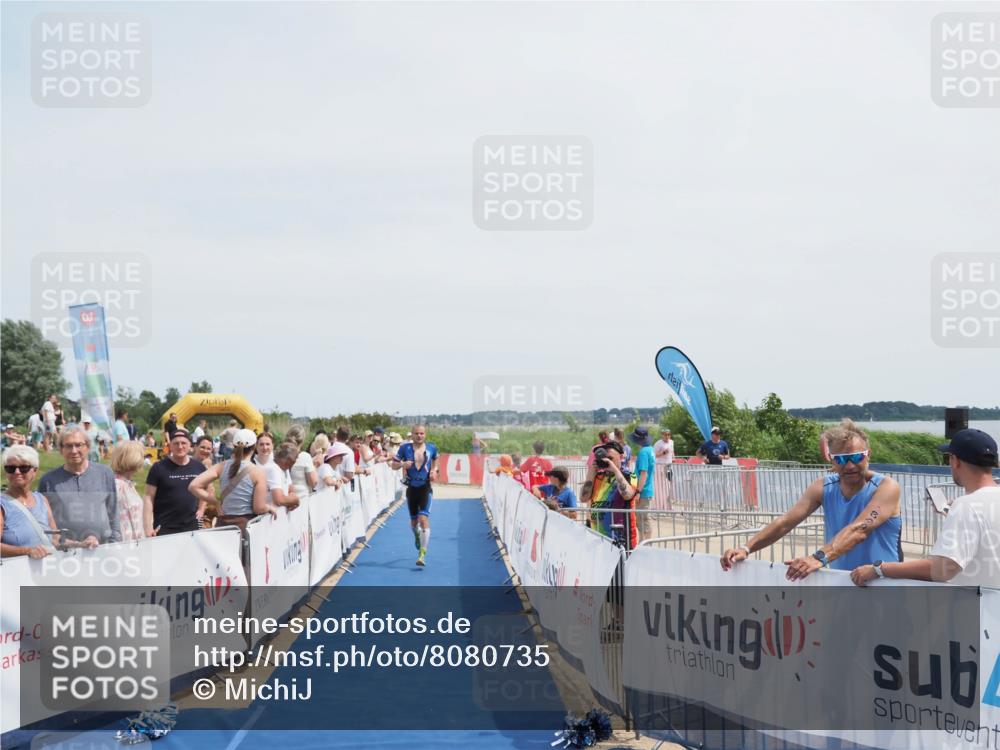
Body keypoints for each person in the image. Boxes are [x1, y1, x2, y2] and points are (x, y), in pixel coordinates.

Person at [721, 419, 902, 580]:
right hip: (844, 582)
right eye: (840, 459)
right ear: (831, 460)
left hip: (884, 583)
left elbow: (859, 530)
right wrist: (746, 548)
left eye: (856, 457)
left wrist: (818, 558)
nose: (849, 466)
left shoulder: (887, 487)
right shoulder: (823, 487)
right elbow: (785, 522)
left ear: (868, 454)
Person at [851, 428, 999, 588]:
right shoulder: (972, 507)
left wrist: (879, 569)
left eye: (948, 458)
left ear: (955, 461)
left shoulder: (966, 507)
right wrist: (955, 515)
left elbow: (943, 569)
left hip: (980, 603)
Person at [37, 426, 119, 547]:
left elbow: (113, 513)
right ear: (61, 449)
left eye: (78, 445)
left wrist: (115, 544)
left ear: (88, 447)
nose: (74, 451)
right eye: (68, 446)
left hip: (103, 549)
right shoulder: (48, 481)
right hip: (65, 552)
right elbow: (43, 521)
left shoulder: (104, 473)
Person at [190, 429, 277, 533]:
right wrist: (269, 508)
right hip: (245, 527)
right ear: (254, 447)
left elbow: (193, 486)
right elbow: (259, 508)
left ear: (234, 446)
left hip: (223, 525)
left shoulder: (221, 466)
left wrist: (215, 502)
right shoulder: (258, 472)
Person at [143, 428, 207, 536]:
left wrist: (201, 508)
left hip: (191, 527)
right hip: (165, 528)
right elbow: (148, 497)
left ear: (190, 445)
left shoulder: (199, 467)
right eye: (176, 443)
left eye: (183, 443)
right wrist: (148, 527)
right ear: (170, 446)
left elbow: (206, 489)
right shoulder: (158, 468)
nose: (180, 446)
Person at [391, 424, 438, 567]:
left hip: (425, 488)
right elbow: (393, 465)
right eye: (416, 433)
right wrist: (402, 464)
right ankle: (417, 535)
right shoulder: (404, 448)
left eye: (422, 433)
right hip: (411, 489)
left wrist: (434, 471)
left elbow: (435, 461)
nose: (419, 436)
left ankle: (422, 554)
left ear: (425, 434)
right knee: (413, 523)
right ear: (412, 434)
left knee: (423, 519)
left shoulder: (431, 448)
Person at [2, 446, 59, 557]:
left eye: (24, 468)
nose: (17, 472)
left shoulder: (42, 499)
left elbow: (55, 537)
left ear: (35, 471)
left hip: (47, 565)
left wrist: (81, 544)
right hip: (15, 567)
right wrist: (27, 551)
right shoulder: (2, 504)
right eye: (10, 468)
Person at [581, 441, 639, 548]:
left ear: (621, 457)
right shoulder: (598, 477)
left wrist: (615, 470)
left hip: (621, 541)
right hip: (598, 540)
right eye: (604, 458)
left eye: (610, 458)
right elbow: (583, 498)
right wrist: (591, 472)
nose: (606, 461)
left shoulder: (629, 475)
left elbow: (628, 495)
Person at [111, 441, 147, 542]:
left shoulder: (128, 484)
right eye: (141, 456)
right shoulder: (117, 485)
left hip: (135, 543)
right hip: (124, 543)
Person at [252, 433, 299, 510]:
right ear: (256, 446)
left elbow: (291, 490)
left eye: (268, 444)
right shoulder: (272, 468)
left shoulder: (283, 467)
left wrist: (291, 500)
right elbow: (279, 500)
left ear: (272, 445)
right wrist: (295, 500)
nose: (265, 447)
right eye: (261, 444)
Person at [628, 427, 657, 541]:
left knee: (642, 518)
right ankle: (644, 541)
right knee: (642, 518)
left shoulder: (644, 452)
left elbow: (643, 473)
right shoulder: (650, 449)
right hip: (647, 489)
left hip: (643, 490)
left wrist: (638, 491)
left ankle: (645, 543)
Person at [284, 425, 318, 498]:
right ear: (302, 441)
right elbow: (313, 483)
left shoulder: (280, 455)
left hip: (284, 499)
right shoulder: (305, 457)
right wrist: (315, 466)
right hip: (301, 499)